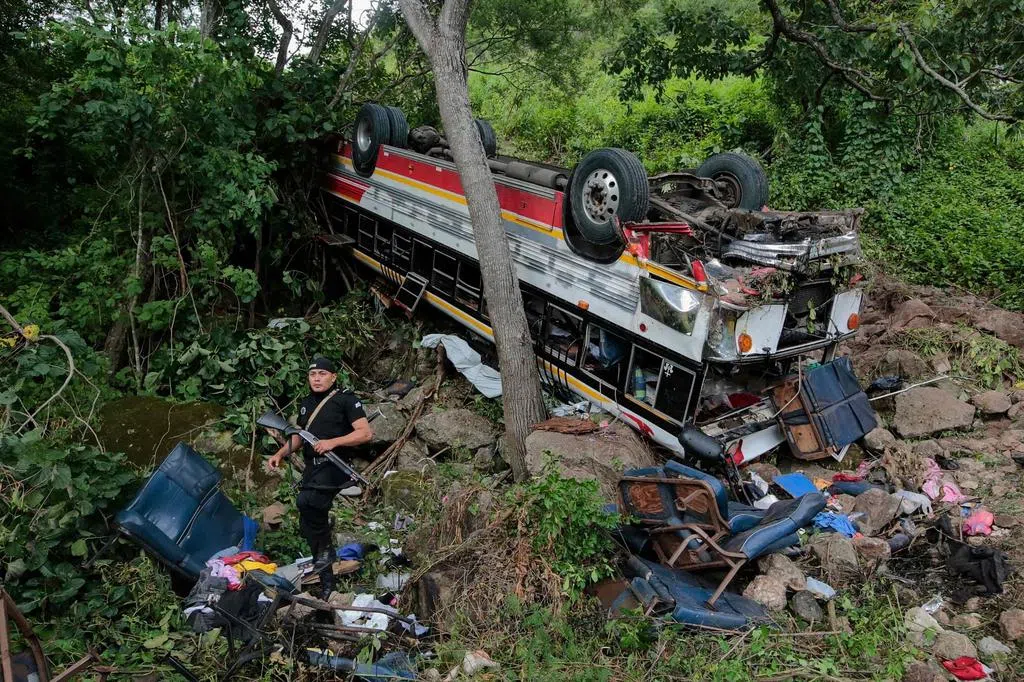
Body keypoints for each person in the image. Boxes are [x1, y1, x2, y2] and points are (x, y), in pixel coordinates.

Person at [268, 356, 373, 596]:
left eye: (322, 374)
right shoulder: (306, 403)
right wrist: (280, 453)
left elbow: (365, 433)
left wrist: (332, 442)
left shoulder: (346, 399)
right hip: (312, 468)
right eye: (313, 374)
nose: (316, 379)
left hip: (335, 465)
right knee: (306, 520)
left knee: (308, 502)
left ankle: (327, 555)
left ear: (333, 377)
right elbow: (300, 436)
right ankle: (327, 582)